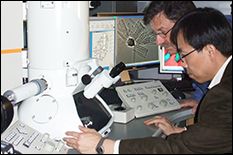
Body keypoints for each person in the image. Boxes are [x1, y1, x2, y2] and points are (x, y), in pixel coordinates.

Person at [63, 7, 232, 154]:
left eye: (184, 55)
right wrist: (182, 132)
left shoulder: (224, 95)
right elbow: (218, 134)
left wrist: (103, 146)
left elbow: (175, 151)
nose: (183, 64)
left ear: (210, 50)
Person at [143, 1, 210, 115]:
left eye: (163, 32)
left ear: (185, 24)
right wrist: (199, 98)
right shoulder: (188, 53)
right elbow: (205, 84)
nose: (158, 42)